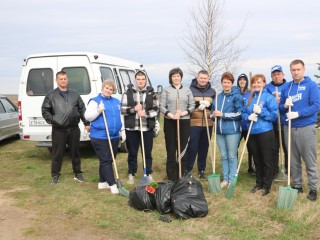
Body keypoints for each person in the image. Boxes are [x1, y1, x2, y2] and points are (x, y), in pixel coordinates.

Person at [279, 59, 320, 201]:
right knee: (293, 159)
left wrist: (298, 113)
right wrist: (284, 106)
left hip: (306, 128)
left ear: (303, 70)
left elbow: (316, 105)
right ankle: (297, 185)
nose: (296, 72)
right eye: (293, 70)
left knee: (309, 159)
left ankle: (313, 188)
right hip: (289, 127)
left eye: (298, 69)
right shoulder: (286, 87)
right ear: (290, 71)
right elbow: (280, 109)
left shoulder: (311, 86)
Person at [42, 71, 90, 184]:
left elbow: (82, 109)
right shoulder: (51, 95)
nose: (63, 80)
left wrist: (86, 123)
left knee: (75, 152)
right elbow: (45, 111)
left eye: (65, 78)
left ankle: (78, 173)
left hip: (74, 129)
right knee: (57, 153)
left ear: (67, 80)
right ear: (57, 80)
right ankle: (55, 175)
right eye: (61, 79)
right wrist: (54, 121)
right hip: (59, 130)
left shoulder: (75, 94)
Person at [85, 80, 125, 194]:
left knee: (109, 159)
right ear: (102, 88)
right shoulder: (95, 101)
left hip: (113, 135)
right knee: (105, 160)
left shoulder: (116, 101)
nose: (108, 90)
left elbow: (120, 117)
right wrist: (98, 110)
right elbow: (88, 117)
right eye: (107, 88)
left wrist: (122, 130)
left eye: (111, 89)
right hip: (99, 136)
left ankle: (102, 182)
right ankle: (112, 184)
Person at [242, 74, 278, 196]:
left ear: (264, 84)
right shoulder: (250, 97)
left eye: (259, 82)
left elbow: (274, 116)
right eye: (254, 83)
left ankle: (267, 185)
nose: (256, 84)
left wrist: (261, 112)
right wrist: (248, 116)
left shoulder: (269, 97)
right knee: (256, 160)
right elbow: (242, 113)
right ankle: (259, 183)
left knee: (266, 160)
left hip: (265, 132)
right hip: (252, 132)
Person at [121, 71, 159, 184]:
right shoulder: (128, 92)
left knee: (147, 152)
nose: (140, 81)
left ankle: (148, 172)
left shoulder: (152, 93)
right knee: (132, 152)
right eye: (138, 79)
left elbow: (156, 110)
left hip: (146, 128)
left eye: (143, 79)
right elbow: (123, 110)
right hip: (132, 128)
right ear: (135, 80)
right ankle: (131, 173)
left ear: (146, 80)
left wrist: (145, 114)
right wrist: (134, 109)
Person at [160, 67, 195, 181]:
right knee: (171, 148)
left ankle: (181, 174)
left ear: (181, 77)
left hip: (184, 121)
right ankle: (171, 176)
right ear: (171, 78)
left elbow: (192, 105)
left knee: (183, 148)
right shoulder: (166, 90)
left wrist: (183, 113)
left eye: (178, 76)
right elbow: (162, 106)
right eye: (174, 76)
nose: (176, 78)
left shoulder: (187, 90)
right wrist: (172, 115)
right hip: (170, 121)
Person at [211, 72, 243, 188]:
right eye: (224, 82)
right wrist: (212, 115)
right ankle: (225, 179)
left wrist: (223, 114)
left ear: (232, 83)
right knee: (223, 156)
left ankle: (232, 179)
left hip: (232, 131)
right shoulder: (218, 97)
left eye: (228, 82)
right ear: (222, 83)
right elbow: (212, 113)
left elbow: (240, 114)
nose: (226, 84)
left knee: (232, 156)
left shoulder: (237, 97)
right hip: (219, 131)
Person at [185, 70, 215, 179]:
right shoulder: (190, 90)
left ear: (208, 79)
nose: (203, 80)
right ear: (197, 78)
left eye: (205, 78)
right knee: (192, 147)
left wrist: (209, 105)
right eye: (201, 78)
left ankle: (201, 170)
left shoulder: (212, 91)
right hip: (194, 123)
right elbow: (187, 105)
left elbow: (215, 107)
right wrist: (198, 104)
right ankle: (188, 169)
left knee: (204, 147)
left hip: (208, 123)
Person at [265, 65, 289, 179]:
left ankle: (289, 170)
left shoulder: (288, 86)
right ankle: (275, 171)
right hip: (273, 123)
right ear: (271, 76)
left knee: (287, 147)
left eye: (278, 74)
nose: (277, 76)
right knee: (273, 148)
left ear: (283, 75)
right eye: (274, 74)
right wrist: (272, 101)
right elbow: (263, 100)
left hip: (285, 121)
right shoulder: (268, 88)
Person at [237, 73, 255, 176]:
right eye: (240, 80)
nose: (242, 81)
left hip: (248, 125)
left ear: (247, 82)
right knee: (235, 147)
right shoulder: (235, 93)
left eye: (244, 80)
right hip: (238, 125)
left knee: (251, 147)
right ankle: (234, 168)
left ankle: (251, 168)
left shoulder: (251, 93)